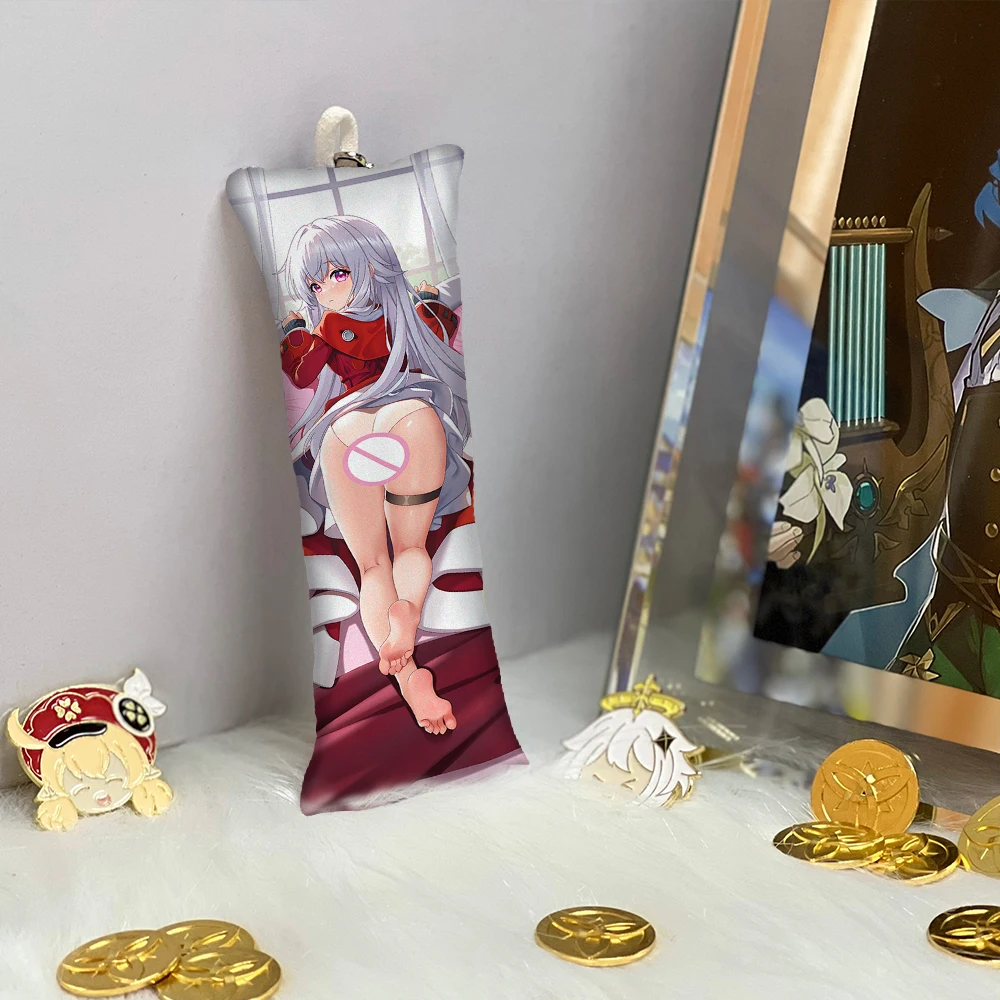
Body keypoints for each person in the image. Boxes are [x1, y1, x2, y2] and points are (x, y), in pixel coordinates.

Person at [279, 216, 470, 734]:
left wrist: (296, 331)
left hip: (346, 430)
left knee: (371, 567)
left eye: (336, 274)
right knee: (410, 549)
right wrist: (429, 297)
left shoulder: (323, 330)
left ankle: (409, 678)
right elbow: (441, 323)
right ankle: (408, 610)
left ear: (369, 267)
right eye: (316, 283)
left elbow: (301, 370)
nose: (326, 290)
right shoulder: (409, 315)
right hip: (408, 416)